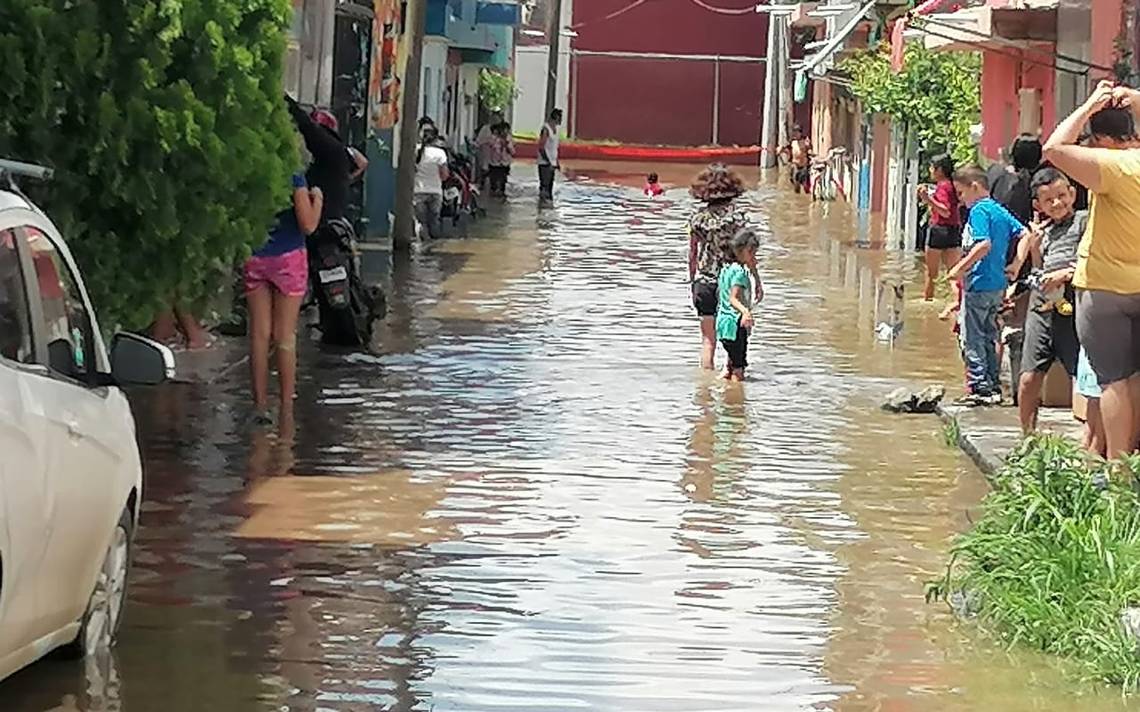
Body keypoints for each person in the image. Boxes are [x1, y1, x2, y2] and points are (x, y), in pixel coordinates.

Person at [1043, 80, 1140, 459]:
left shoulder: (1113, 166)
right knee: (1135, 378)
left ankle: (1119, 469)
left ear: (1102, 139)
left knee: (1114, 381)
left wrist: (1087, 105)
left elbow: (1054, 148)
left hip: (1105, 289)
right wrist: (1133, 98)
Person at [245, 173, 323, 425]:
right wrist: (318, 199)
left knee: (259, 334)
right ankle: (286, 409)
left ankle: (260, 405)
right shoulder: (293, 176)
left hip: (254, 256)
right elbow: (308, 225)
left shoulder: (251, 168)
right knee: (285, 336)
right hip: (288, 258)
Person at [948, 165, 1029, 406]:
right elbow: (1026, 233)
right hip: (997, 285)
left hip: (979, 282)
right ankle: (992, 386)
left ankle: (980, 387)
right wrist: (1016, 263)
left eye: (961, 193)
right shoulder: (998, 210)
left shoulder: (980, 211)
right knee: (989, 335)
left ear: (974, 186)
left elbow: (983, 245)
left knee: (972, 336)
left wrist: (960, 268)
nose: (961, 200)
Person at [1016, 168, 1086, 433]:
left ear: (1072, 193)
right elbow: (1037, 271)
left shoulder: (1084, 222)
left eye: (1061, 195)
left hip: (1074, 304)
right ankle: (1027, 438)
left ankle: (1091, 441)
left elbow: (1093, 261)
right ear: (1038, 205)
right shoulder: (1041, 232)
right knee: (1028, 378)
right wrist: (1033, 248)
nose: (1057, 203)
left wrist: (1066, 274)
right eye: (1049, 200)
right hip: (1042, 307)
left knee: (1081, 377)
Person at [688, 164, 762, 371]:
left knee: (708, 341)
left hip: (704, 282)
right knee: (734, 336)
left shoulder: (697, 219)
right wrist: (757, 279)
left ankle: (705, 393)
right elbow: (749, 253)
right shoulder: (738, 218)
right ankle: (733, 383)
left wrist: (692, 279)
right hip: (731, 282)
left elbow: (692, 254)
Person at [286, 97, 355, 223]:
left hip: (321, 218)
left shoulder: (331, 149)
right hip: (327, 216)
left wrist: (287, 102)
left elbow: (309, 128)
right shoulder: (339, 153)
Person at [917, 153, 962, 300]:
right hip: (954, 231)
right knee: (953, 274)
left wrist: (927, 199)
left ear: (940, 170)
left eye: (932, 168)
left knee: (931, 275)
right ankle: (958, 304)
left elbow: (945, 211)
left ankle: (927, 303)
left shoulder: (943, 186)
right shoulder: (953, 185)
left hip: (939, 231)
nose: (930, 170)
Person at [414, 124, 450, 240]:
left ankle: (422, 252)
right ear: (435, 137)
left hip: (418, 191)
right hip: (435, 192)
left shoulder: (415, 150)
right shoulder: (440, 154)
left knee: (422, 224)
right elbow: (444, 176)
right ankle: (433, 252)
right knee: (434, 223)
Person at [538, 108, 563, 206]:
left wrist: (556, 162)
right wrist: (548, 161)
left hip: (552, 163)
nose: (561, 120)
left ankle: (547, 211)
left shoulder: (556, 130)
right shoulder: (546, 129)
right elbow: (541, 147)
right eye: (560, 118)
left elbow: (554, 148)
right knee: (545, 188)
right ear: (556, 117)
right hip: (545, 163)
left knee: (550, 187)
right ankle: (542, 209)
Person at [476, 110, 504, 186]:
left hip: (498, 157)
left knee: (497, 173)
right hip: (486, 154)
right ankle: (483, 184)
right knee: (485, 170)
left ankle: (496, 187)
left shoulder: (502, 130)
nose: (495, 120)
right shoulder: (485, 129)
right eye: (493, 118)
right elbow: (479, 141)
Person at [487, 121, 514, 198]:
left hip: (505, 162)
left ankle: (501, 191)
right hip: (494, 162)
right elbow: (491, 146)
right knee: (494, 177)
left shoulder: (509, 139)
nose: (505, 132)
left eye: (507, 130)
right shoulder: (494, 138)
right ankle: (494, 191)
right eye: (503, 130)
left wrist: (507, 144)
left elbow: (512, 151)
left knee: (503, 178)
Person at [786, 126, 812, 194]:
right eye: (794, 132)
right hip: (795, 165)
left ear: (800, 133)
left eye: (797, 132)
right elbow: (787, 150)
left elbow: (809, 150)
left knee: (806, 186)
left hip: (804, 166)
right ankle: (797, 197)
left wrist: (808, 146)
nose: (795, 134)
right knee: (796, 185)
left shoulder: (805, 141)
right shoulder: (792, 142)